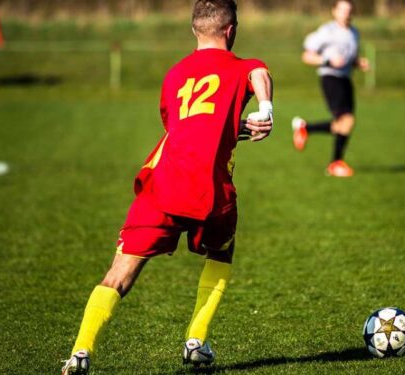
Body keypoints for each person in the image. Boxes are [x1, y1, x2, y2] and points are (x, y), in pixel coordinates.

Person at [60, 0, 273, 373]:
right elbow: (260, 73)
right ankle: (196, 340)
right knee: (221, 251)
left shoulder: (174, 75)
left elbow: (182, 128)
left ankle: (80, 351)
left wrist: (228, 130)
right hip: (211, 191)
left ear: (194, 30)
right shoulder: (242, 66)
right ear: (231, 30)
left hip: (163, 188)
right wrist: (265, 109)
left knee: (118, 274)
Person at [291, 0, 369, 178]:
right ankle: (335, 164)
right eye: (342, 10)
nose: (345, 13)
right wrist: (327, 61)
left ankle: (305, 128)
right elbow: (306, 55)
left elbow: (350, 58)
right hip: (330, 78)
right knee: (347, 120)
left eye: (349, 10)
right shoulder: (327, 32)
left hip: (345, 79)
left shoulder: (354, 33)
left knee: (343, 125)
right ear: (334, 11)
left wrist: (358, 63)